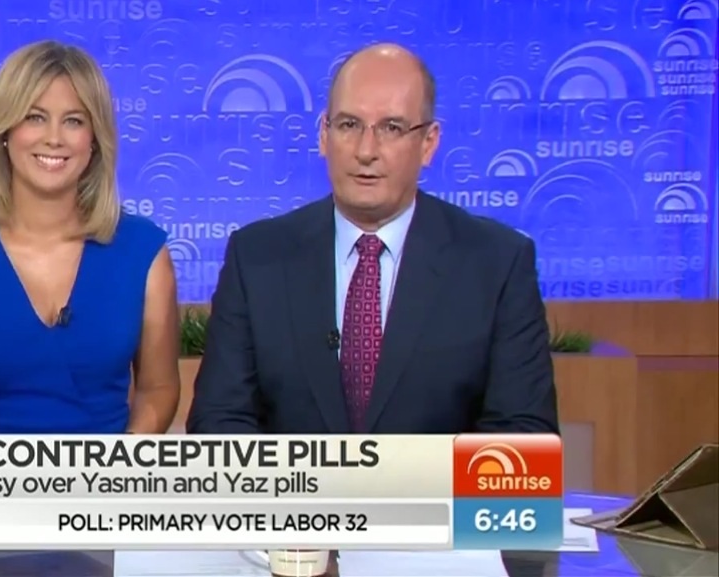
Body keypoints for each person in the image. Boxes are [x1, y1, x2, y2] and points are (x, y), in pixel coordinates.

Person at [188, 43, 559, 437]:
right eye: (349, 125)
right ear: (323, 135)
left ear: (429, 143)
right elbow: (220, 423)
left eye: (391, 128)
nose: (366, 151)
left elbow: (522, 434)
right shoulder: (257, 258)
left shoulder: (497, 264)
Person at [0, 41, 180, 435]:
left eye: (74, 121)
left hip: (107, 473)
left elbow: (158, 389)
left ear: (95, 139)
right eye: (35, 117)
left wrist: (124, 460)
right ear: (5, 131)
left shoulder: (143, 253)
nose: (54, 138)